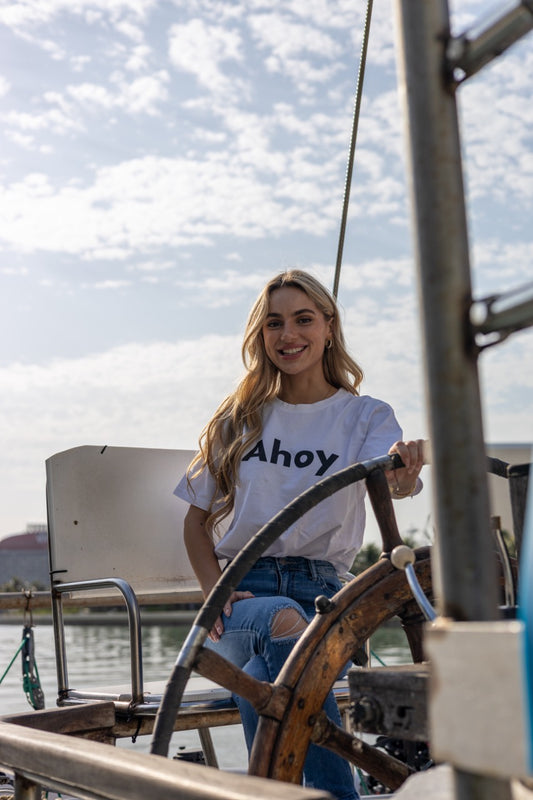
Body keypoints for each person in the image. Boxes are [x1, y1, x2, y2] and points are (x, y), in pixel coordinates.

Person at [175, 269, 424, 799]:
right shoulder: (239, 419)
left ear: (329, 327)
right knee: (281, 631)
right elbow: (196, 521)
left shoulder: (365, 416)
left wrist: (407, 471)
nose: (289, 335)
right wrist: (213, 596)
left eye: (303, 319)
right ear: (260, 337)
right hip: (243, 595)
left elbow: (395, 481)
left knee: (268, 676)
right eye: (274, 323)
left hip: (325, 593)